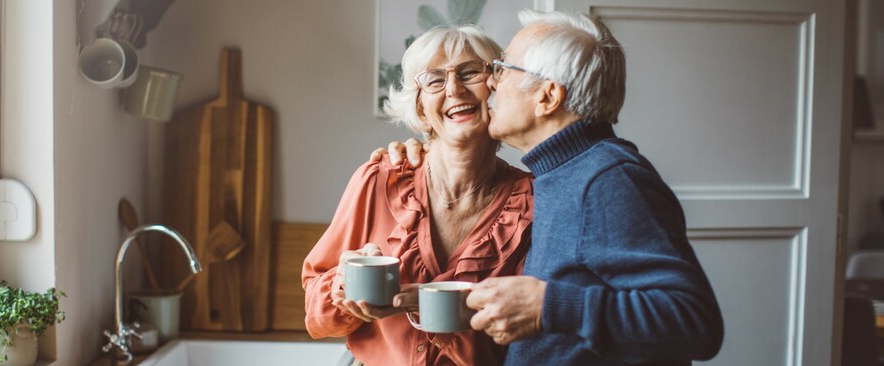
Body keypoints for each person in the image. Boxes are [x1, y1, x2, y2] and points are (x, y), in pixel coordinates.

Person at [373, 9, 724, 366]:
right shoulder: (564, 174)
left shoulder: (608, 180)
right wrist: (475, 301)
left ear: (547, 97)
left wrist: (545, 306)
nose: (491, 83)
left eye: (504, 68)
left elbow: (695, 322)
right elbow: (579, 294)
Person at [302, 24, 535, 366]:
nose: (454, 89)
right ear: (421, 107)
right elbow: (315, 314)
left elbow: (532, 339)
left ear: (496, 88)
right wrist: (342, 286)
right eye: (435, 80)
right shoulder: (378, 179)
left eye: (470, 72)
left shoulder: (532, 203)